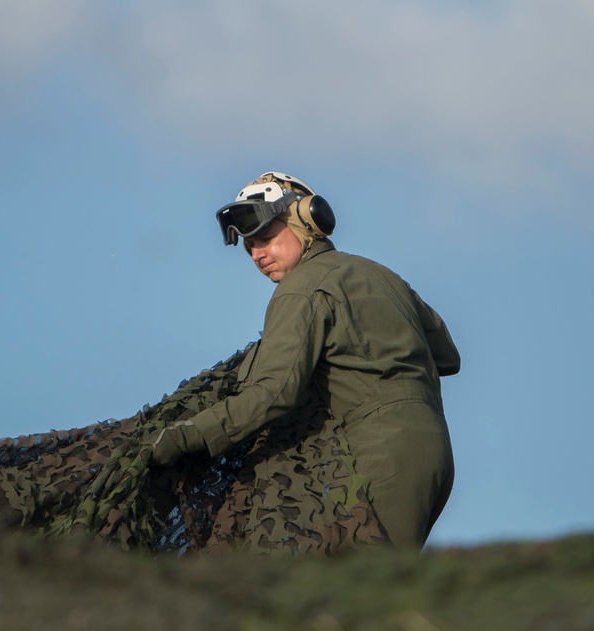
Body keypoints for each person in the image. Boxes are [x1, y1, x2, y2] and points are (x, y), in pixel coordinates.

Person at [148, 171, 460, 549]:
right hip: (435, 451)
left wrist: (188, 436)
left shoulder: (300, 288)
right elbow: (448, 355)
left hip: (379, 455)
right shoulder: (382, 275)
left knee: (367, 594)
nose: (258, 255)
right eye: (249, 248)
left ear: (305, 221)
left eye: (265, 239)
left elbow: (274, 392)